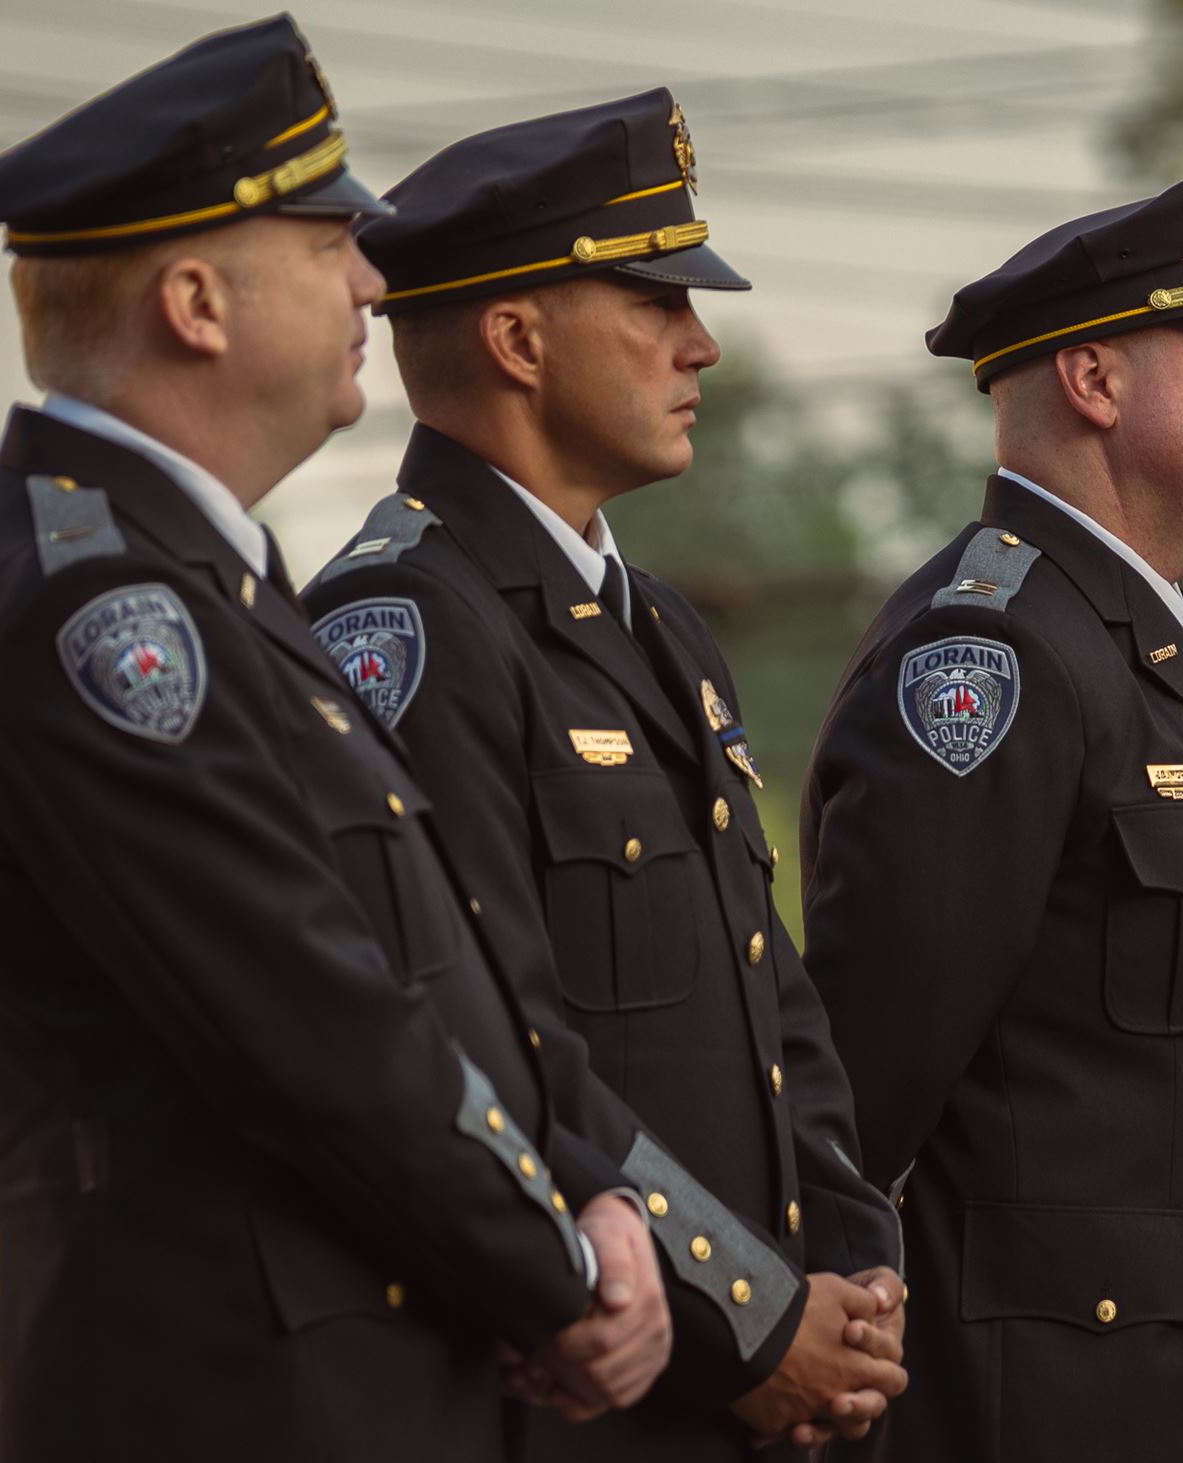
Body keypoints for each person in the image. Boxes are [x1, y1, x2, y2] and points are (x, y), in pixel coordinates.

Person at [0, 18, 670, 1458]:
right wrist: (562, 1268)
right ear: (195, 302)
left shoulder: (206, 578)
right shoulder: (98, 609)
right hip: (229, 1400)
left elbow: (440, 959)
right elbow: (310, 1016)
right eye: (328, 245)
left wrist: (595, 1187)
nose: (372, 278)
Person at [300, 90, 909, 1459]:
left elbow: (773, 1001)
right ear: (517, 340)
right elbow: (494, 1058)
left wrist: (856, 1270)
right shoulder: (408, 627)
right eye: (654, 301)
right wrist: (752, 1319)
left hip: (766, 1381)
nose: (701, 341)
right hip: (600, 1395)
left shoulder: (660, 627)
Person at [797, 168, 1183, 1461]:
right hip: (1049, 1405)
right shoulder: (995, 654)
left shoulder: (1164, 650)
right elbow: (862, 1099)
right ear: (1094, 380)